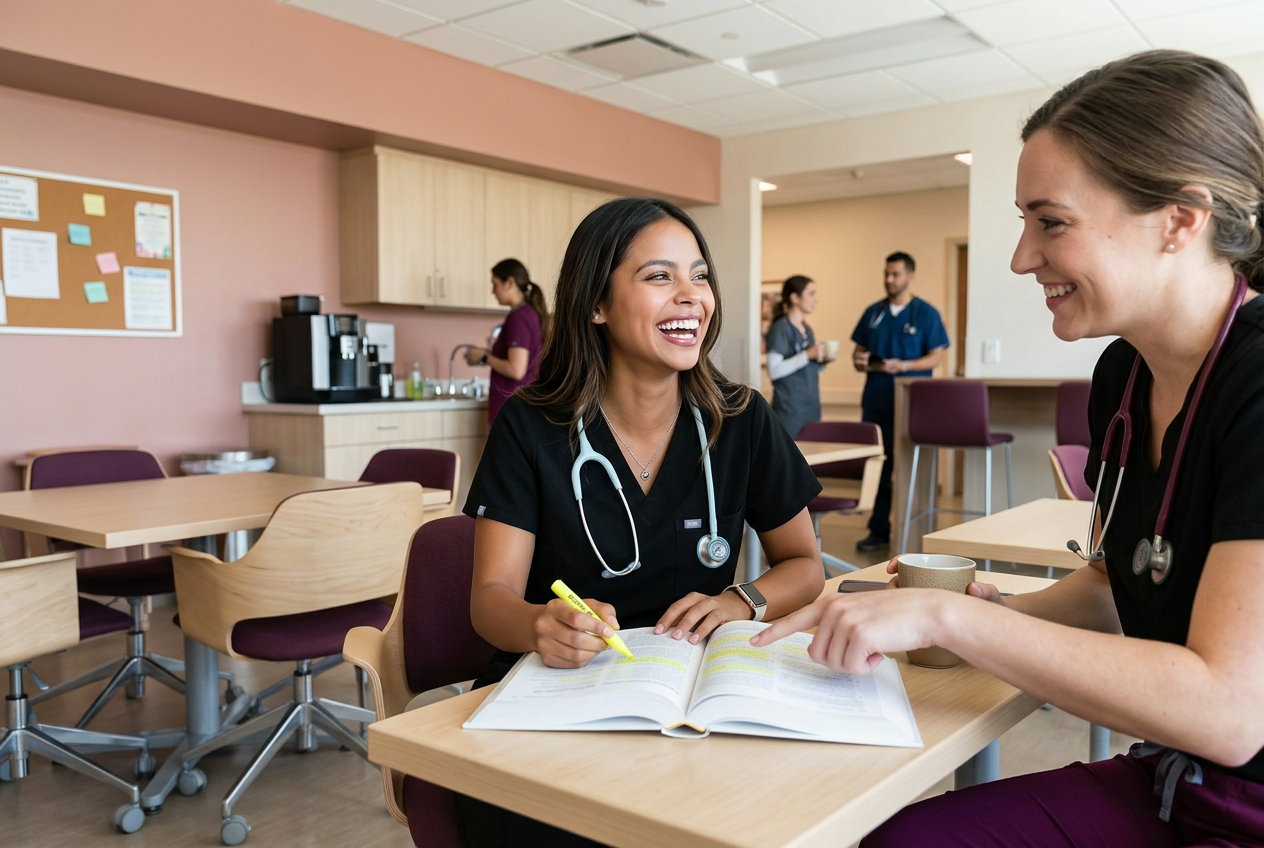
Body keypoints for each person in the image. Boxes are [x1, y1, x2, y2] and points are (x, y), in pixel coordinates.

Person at [752, 50, 1264, 846]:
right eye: (1023, 222)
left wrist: (949, 620)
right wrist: (979, 612)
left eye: (1050, 222)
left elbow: (1230, 714)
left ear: (1181, 219)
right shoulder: (1122, 377)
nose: (1024, 257)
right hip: (1177, 778)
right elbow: (1115, 581)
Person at [457, 197, 827, 847]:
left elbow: (805, 566)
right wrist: (541, 624)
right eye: (659, 277)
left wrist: (744, 599)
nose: (691, 297)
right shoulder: (532, 427)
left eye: (700, 276)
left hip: (691, 701)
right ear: (596, 304)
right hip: (557, 696)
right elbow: (490, 602)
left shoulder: (742, 420)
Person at [849, 252, 949, 551]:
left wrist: (903, 366)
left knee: (910, 466)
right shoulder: (873, 313)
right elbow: (857, 356)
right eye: (887, 274)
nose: (889, 279)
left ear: (910, 276)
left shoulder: (926, 314)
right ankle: (879, 529)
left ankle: (917, 530)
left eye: (895, 274)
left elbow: (936, 356)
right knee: (879, 466)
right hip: (877, 402)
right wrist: (861, 359)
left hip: (912, 406)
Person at [465, 258, 547, 423]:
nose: (492, 291)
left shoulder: (519, 317)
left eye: (495, 284)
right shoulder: (528, 314)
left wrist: (485, 357)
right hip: (518, 407)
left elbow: (516, 369)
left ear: (509, 282)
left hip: (510, 407)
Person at [765, 274, 834, 439]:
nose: (815, 300)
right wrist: (807, 354)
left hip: (811, 409)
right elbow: (774, 371)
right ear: (795, 298)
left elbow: (806, 368)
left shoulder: (807, 330)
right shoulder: (781, 328)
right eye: (811, 294)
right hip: (790, 412)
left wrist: (822, 360)